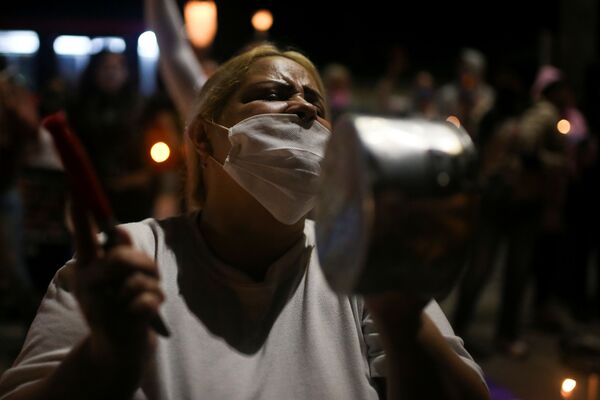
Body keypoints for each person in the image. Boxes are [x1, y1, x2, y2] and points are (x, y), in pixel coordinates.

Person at [0, 43, 490, 400]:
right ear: (205, 139)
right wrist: (104, 358)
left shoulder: (360, 266)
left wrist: (402, 321)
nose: (303, 106)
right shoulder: (128, 259)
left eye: (316, 105)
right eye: (275, 92)